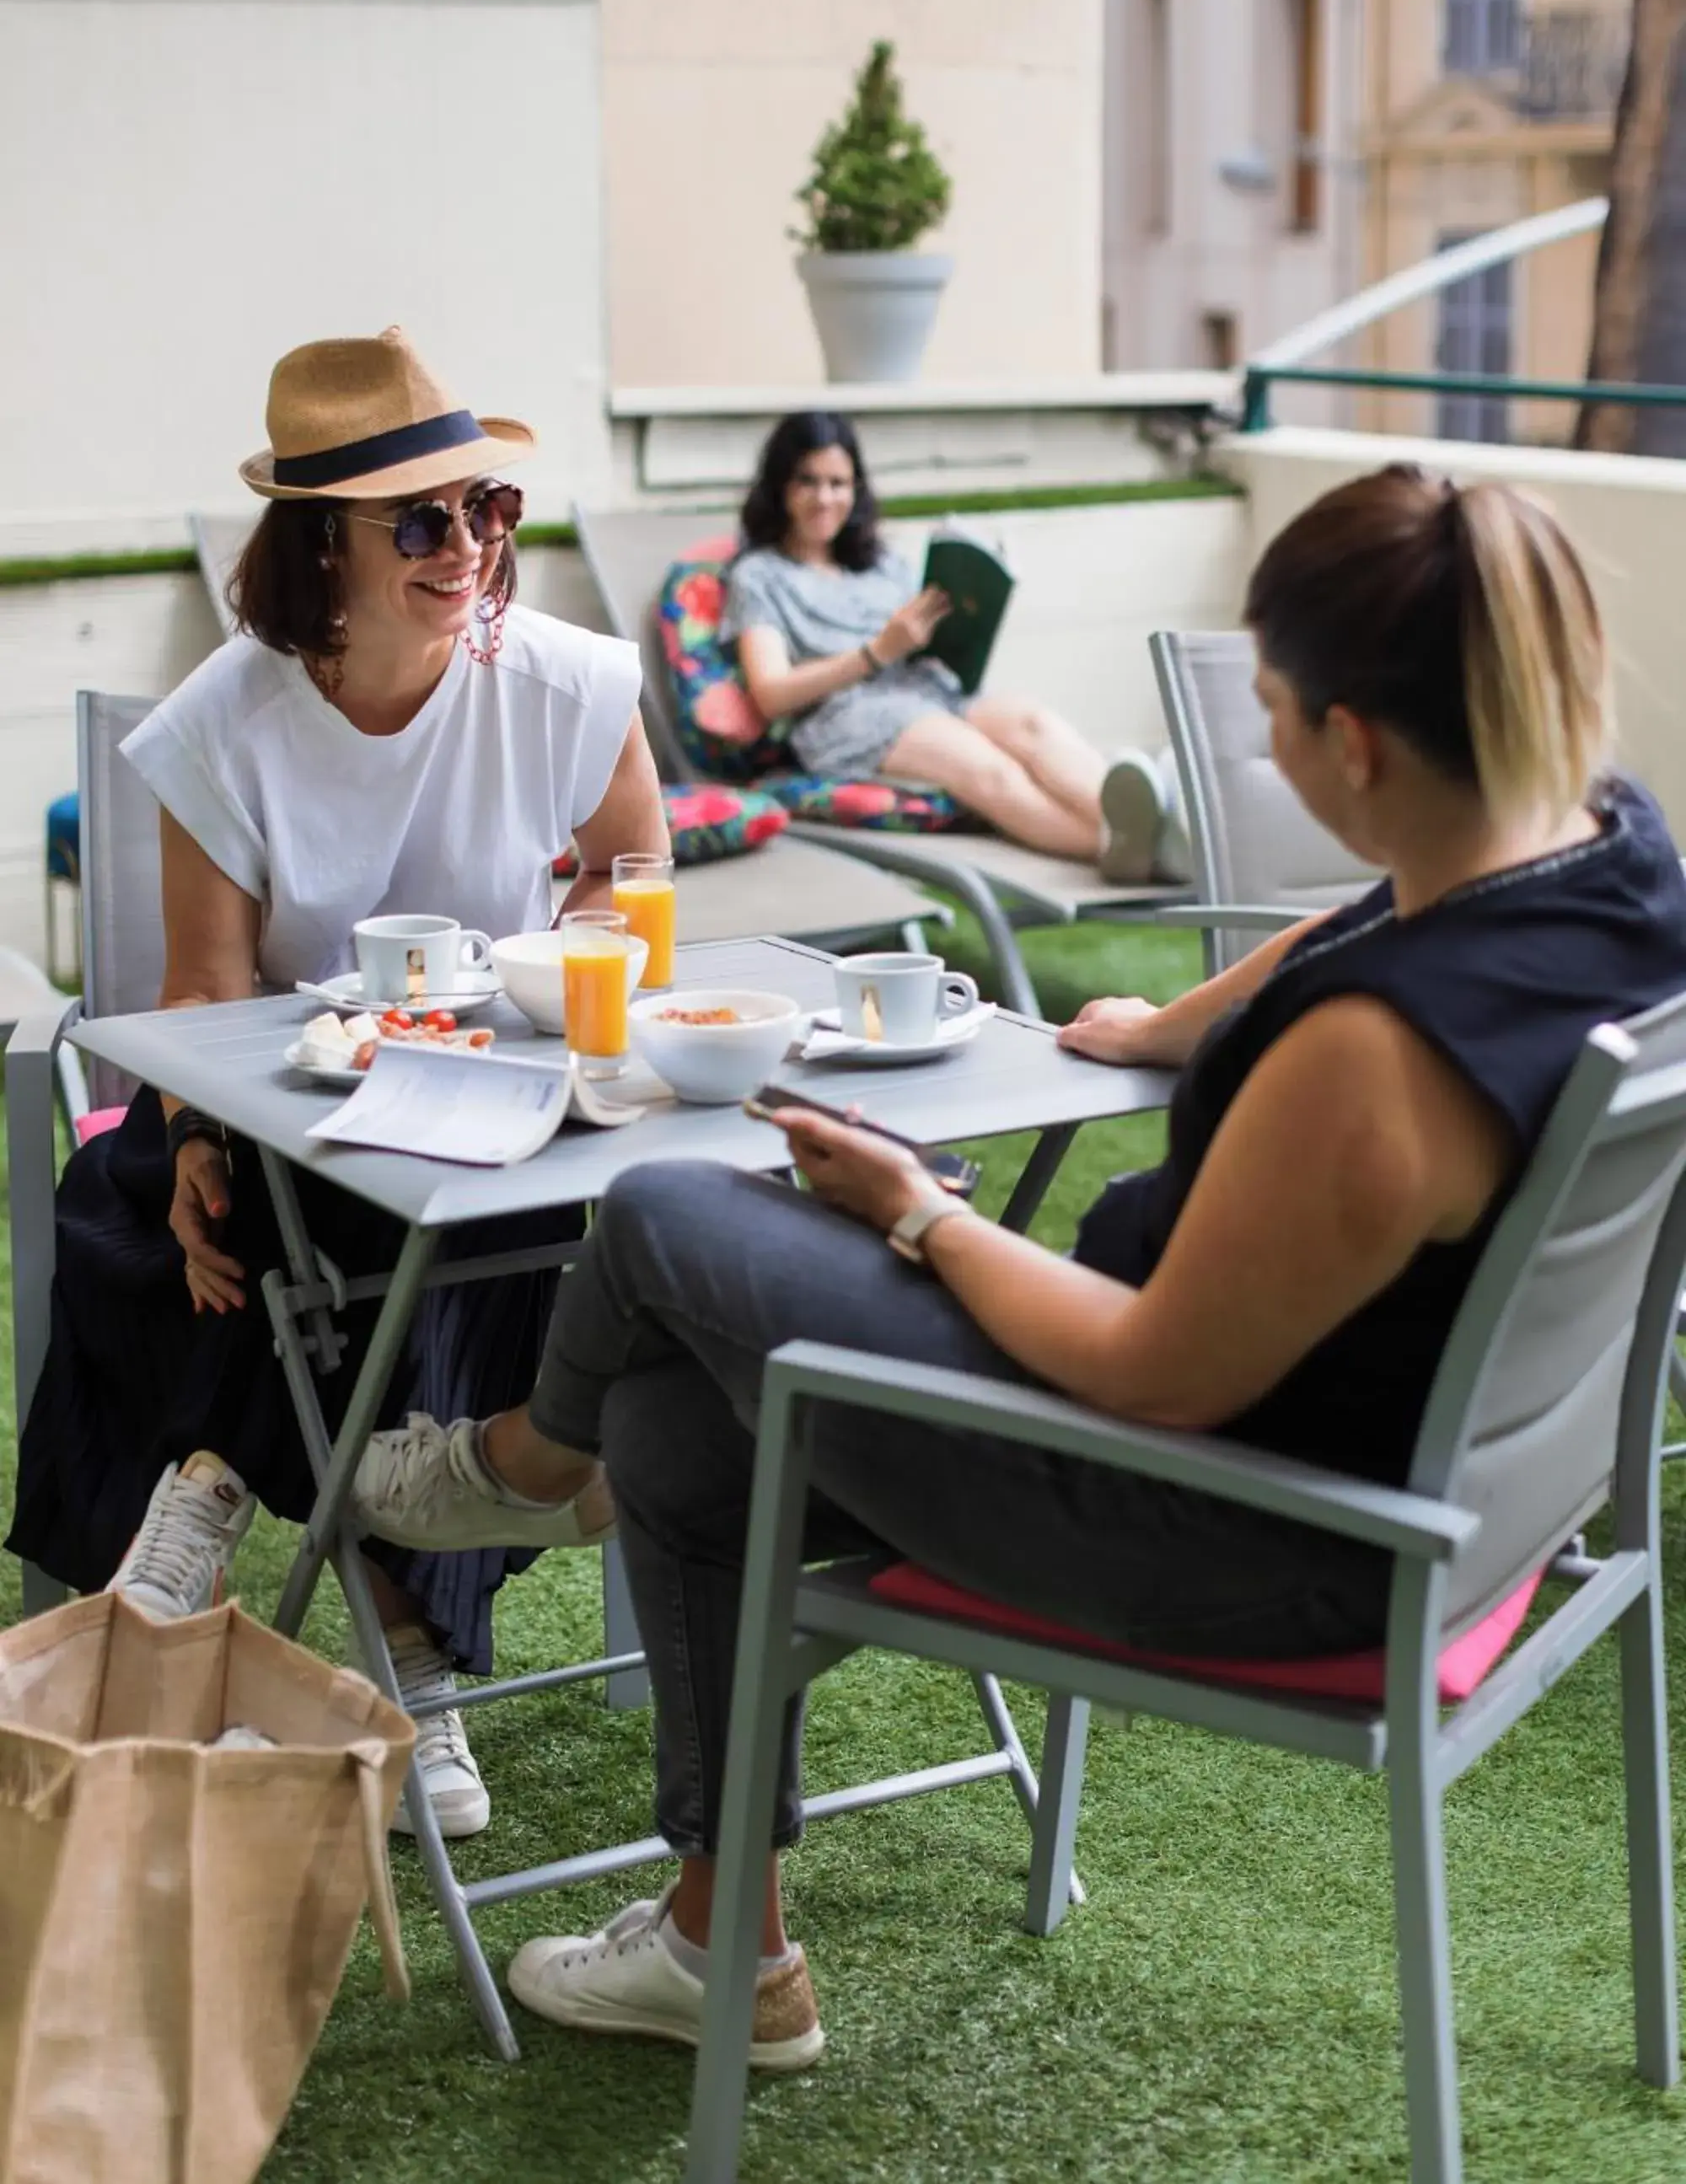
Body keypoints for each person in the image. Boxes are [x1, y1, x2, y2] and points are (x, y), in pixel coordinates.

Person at [346, 461, 1686, 2062]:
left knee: (665, 1211)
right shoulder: (1606, 852)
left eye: (1272, 709)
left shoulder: (1372, 1071)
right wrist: (1178, 1021)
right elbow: (1369, 914)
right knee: (687, 1435)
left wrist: (919, 1214)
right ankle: (723, 1947)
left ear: (1355, 743)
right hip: (1457, 1501)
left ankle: (505, 1469)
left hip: (1230, 1521)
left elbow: (1151, 1369)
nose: (1261, 737)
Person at [5, 327, 664, 1838]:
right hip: (291, 1106)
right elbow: (206, 991)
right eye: (424, 522)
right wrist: (184, 1134)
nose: (472, 548)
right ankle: (413, 1653)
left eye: (488, 509)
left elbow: (634, 871)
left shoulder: (561, 680)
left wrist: (564, 963)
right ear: (321, 548)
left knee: (442, 1222)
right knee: (279, 1204)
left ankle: (215, 1487)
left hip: (490, 1105)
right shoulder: (225, 723)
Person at [719, 410, 1169, 880]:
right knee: (991, 771)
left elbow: (918, 646)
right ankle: (1140, 854)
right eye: (808, 482)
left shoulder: (880, 563)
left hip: (928, 686)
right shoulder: (760, 577)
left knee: (1035, 725)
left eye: (839, 483)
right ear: (780, 487)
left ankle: (1157, 824)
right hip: (847, 716)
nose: (825, 498)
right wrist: (876, 653)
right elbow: (770, 693)